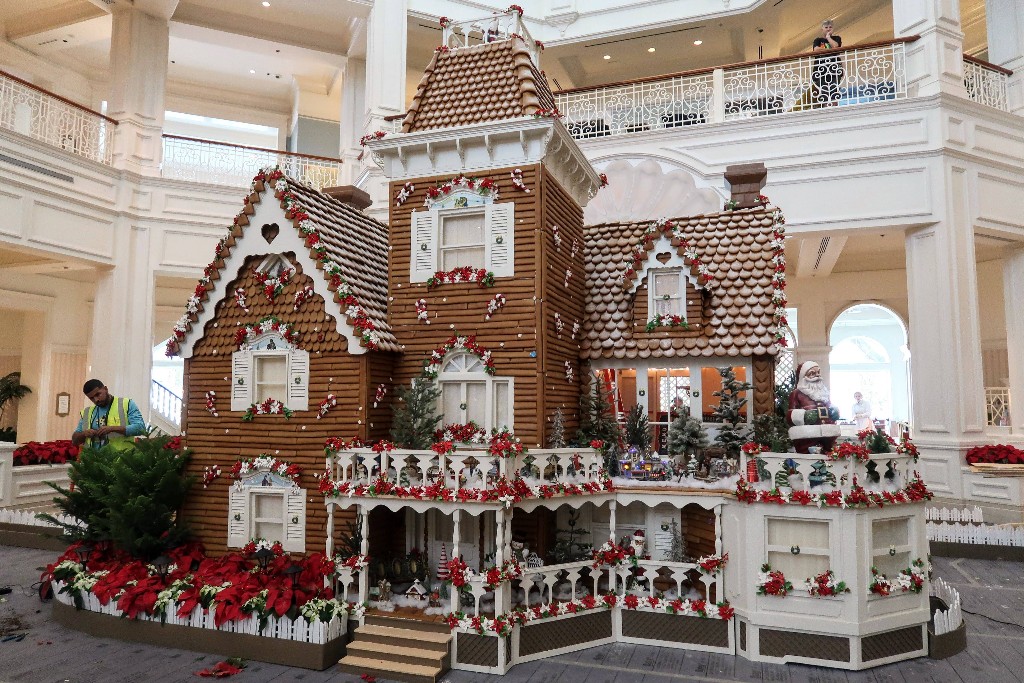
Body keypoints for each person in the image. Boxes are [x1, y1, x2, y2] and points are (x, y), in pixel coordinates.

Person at [71, 379, 147, 450]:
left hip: (121, 460)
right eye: (91, 398)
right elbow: (75, 440)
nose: (96, 400)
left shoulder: (126, 404)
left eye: (98, 394)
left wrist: (112, 428)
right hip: (93, 461)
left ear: (105, 389)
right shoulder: (87, 412)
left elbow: (140, 428)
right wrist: (84, 434)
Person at [786, 361, 841, 453]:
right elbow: (790, 415)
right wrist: (804, 416)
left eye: (818, 372)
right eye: (812, 373)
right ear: (804, 376)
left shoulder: (824, 393)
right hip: (807, 436)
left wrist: (834, 412)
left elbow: (829, 406)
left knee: (829, 456)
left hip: (828, 435)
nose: (817, 376)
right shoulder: (797, 393)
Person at [812, 19, 844, 106]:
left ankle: (834, 108)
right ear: (822, 29)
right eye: (826, 27)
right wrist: (830, 50)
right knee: (823, 92)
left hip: (834, 69)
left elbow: (836, 46)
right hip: (820, 70)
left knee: (834, 91)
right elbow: (816, 49)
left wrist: (828, 37)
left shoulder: (837, 38)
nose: (828, 29)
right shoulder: (818, 40)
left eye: (830, 27)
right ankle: (824, 109)